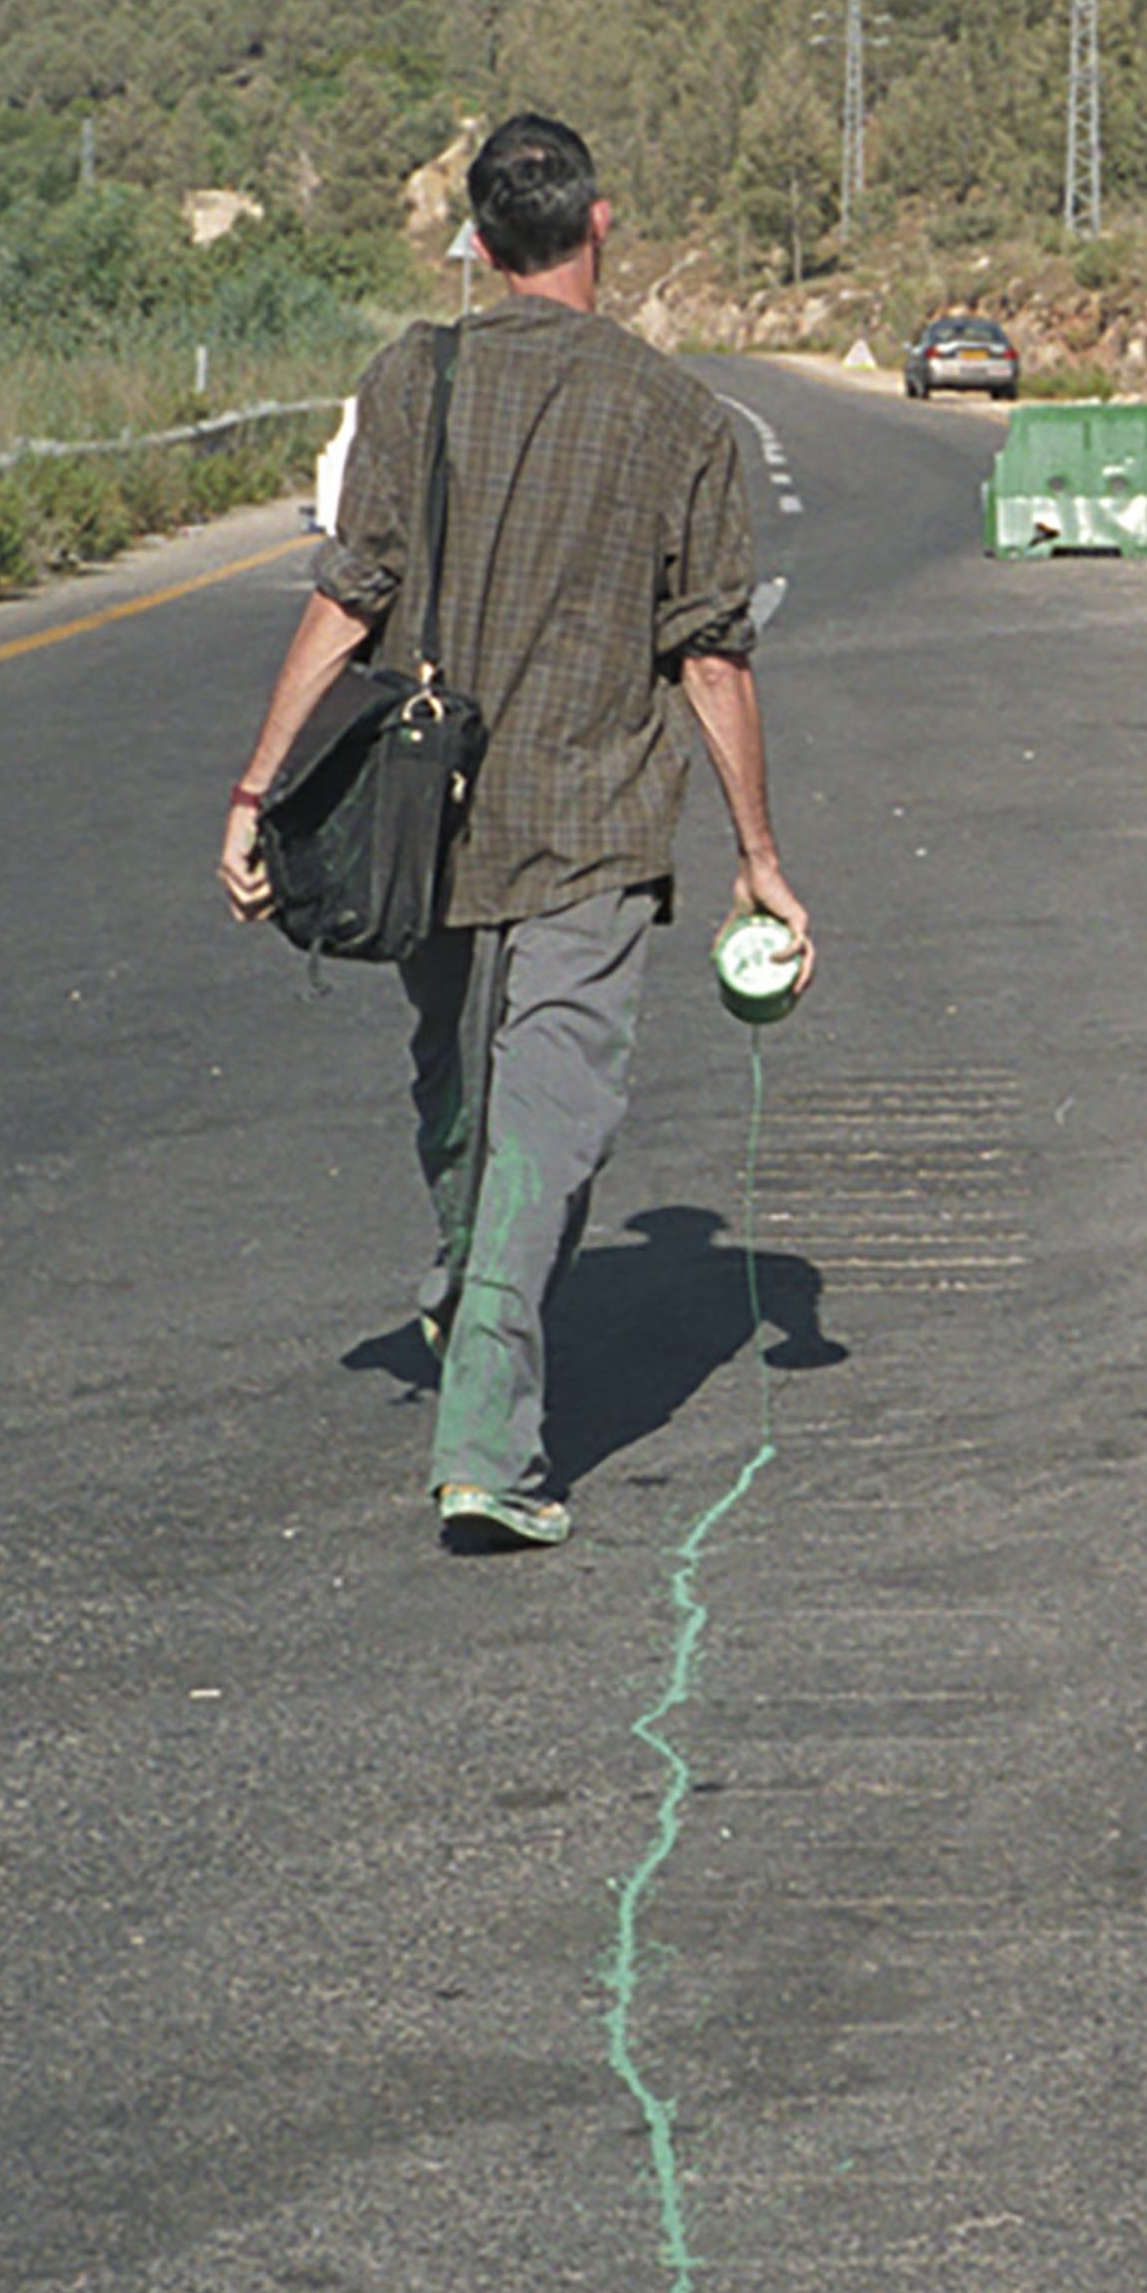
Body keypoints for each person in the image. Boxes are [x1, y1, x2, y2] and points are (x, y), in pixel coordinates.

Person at [216, 113, 813, 1545]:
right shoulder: (681, 416)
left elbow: (347, 592)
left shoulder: (411, 376)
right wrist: (760, 855)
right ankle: (485, 1437)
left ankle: (462, 1294)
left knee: (456, 1086)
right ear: (601, 223)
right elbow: (711, 657)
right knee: (548, 1107)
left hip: (426, 819)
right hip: (593, 821)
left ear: (479, 244)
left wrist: (255, 788)